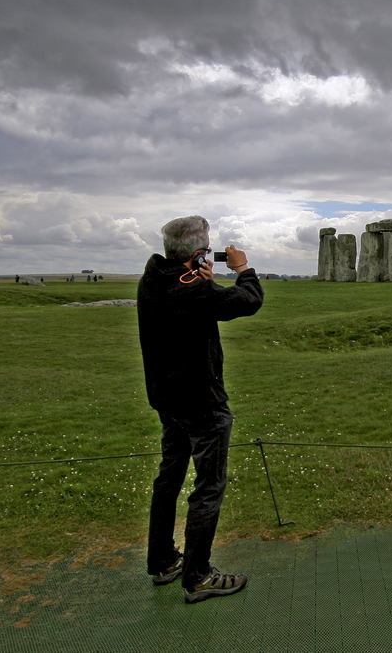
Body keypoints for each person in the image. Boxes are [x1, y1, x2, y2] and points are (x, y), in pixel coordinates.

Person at [138, 215, 264, 604]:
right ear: (195, 254)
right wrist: (242, 268)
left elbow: (195, 297)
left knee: (170, 476)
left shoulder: (154, 278)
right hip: (201, 403)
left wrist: (201, 275)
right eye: (207, 251)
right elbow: (248, 300)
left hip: (167, 398)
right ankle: (198, 575)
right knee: (209, 486)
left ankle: (162, 561)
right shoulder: (191, 290)